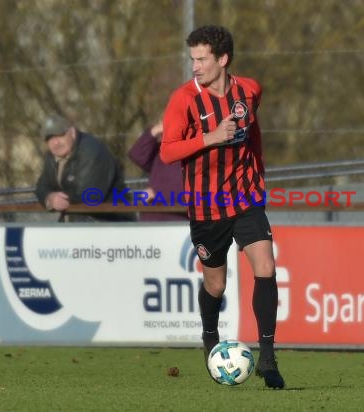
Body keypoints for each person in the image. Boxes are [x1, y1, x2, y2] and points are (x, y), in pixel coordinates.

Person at [160, 25, 285, 389]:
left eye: (202, 59)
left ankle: (268, 356)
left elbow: (254, 129)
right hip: (206, 207)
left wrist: (258, 169)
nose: (195, 66)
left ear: (223, 59)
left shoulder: (250, 90)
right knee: (215, 284)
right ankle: (210, 336)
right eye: (192, 59)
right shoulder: (183, 100)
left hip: (246, 198)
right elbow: (168, 151)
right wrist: (210, 137)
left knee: (266, 266)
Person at [35, 113, 136, 222]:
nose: (55, 142)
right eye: (49, 139)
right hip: (77, 222)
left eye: (59, 135)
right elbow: (41, 186)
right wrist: (50, 198)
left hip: (109, 222)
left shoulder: (92, 150)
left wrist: (57, 199)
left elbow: (90, 194)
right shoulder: (52, 157)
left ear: (72, 132)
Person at [128, 118, 187, 221]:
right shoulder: (160, 150)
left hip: (177, 222)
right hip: (151, 220)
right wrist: (154, 131)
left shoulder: (191, 152)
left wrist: (157, 194)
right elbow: (137, 155)